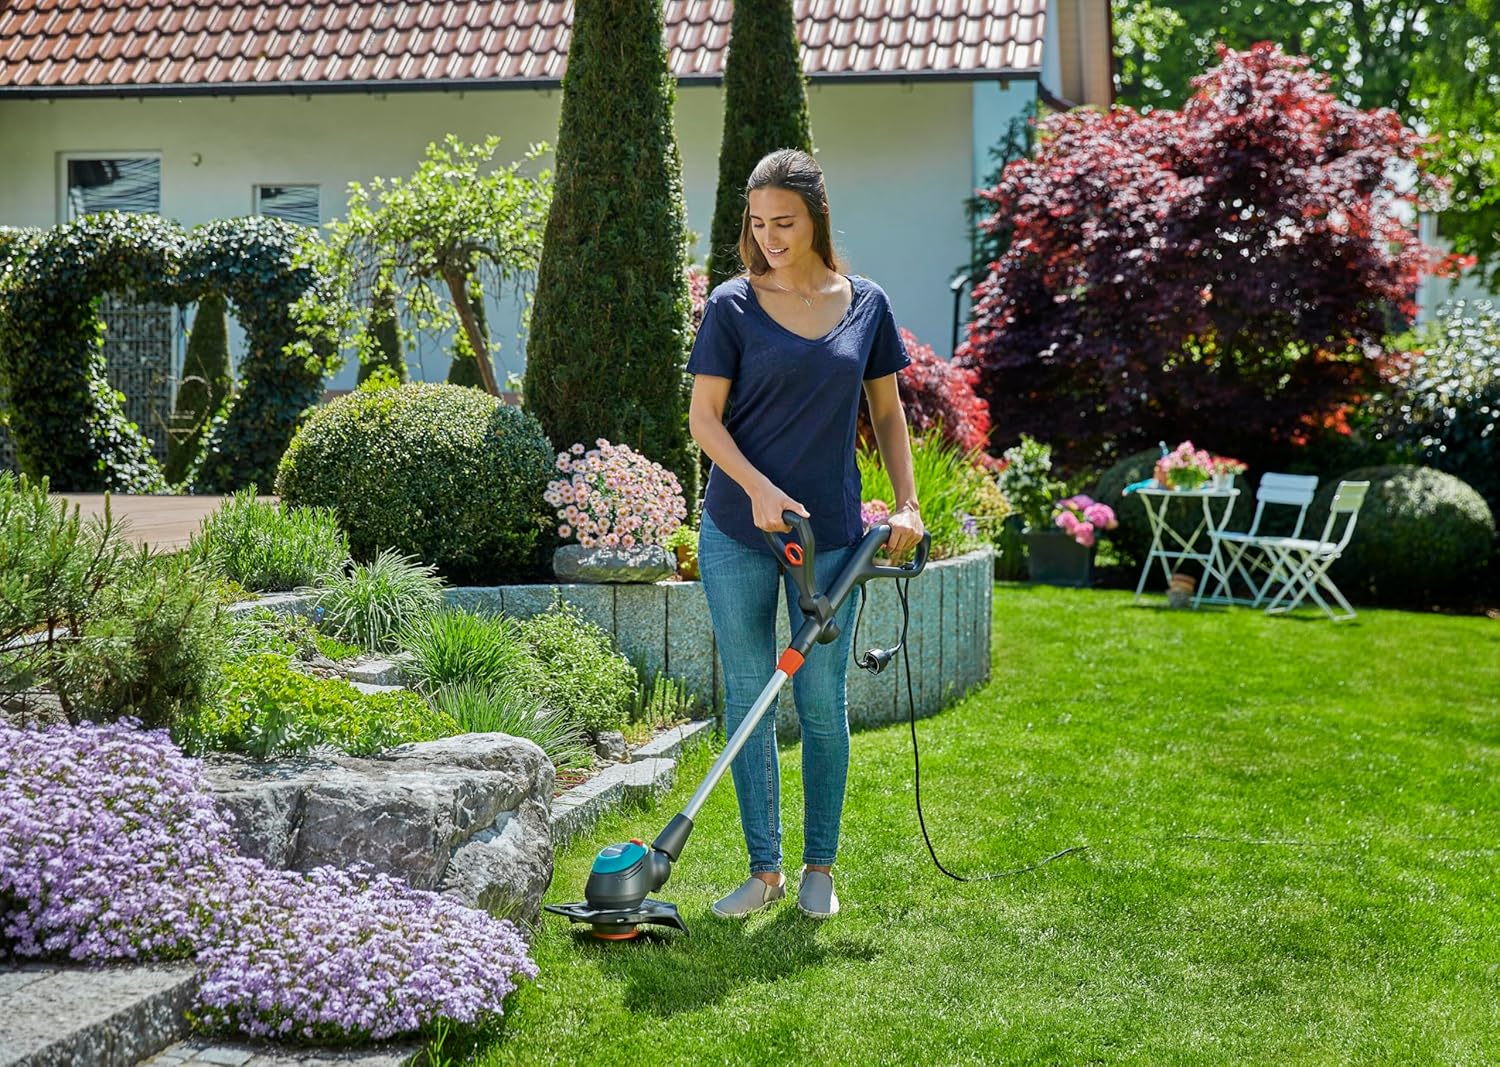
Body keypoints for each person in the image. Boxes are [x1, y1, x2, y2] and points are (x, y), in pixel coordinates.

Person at [686, 148, 925, 920]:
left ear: (816, 217)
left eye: (783, 222)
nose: (770, 237)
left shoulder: (866, 303)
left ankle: (821, 863)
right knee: (752, 701)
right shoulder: (732, 304)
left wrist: (908, 503)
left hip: (830, 539)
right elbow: (703, 421)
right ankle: (764, 870)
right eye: (758, 224)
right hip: (736, 527)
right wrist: (756, 489)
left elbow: (887, 414)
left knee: (822, 700)